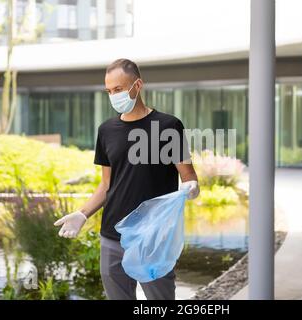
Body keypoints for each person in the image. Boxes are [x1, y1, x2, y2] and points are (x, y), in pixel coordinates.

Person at [54, 58, 200, 300]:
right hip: (112, 236)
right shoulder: (106, 130)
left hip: (152, 237)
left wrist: (191, 188)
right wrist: (82, 214)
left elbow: (188, 176)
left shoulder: (168, 126)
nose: (113, 96)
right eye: (109, 91)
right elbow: (106, 184)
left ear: (137, 85)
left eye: (119, 89)